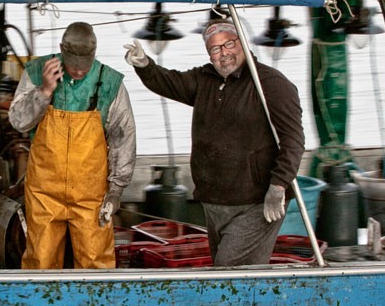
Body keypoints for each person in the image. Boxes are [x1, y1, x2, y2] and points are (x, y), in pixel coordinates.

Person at [124, 19, 304, 266]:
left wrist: (279, 185)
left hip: (255, 203)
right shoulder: (204, 79)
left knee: (227, 273)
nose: (224, 53)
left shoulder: (272, 84)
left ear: (241, 42)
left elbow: (293, 140)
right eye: (215, 49)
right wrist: (144, 65)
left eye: (229, 44)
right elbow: (168, 82)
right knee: (235, 277)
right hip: (214, 200)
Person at [9, 22, 136, 269]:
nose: (78, 71)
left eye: (84, 65)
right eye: (72, 64)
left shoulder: (110, 82)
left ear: (94, 53)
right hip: (44, 192)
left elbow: (123, 137)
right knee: (40, 263)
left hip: (91, 195)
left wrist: (116, 189)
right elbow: (18, 121)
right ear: (61, 50)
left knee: (96, 262)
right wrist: (44, 91)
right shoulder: (37, 71)